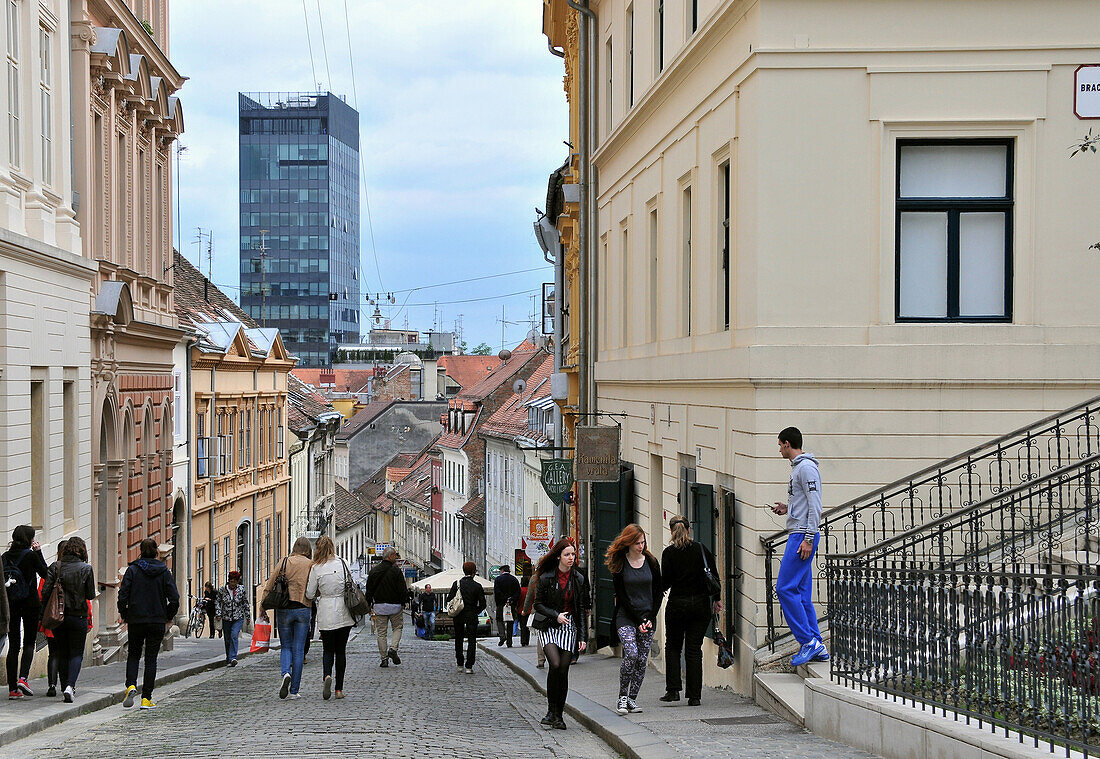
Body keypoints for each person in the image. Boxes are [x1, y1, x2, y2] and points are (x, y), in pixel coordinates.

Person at [771, 426, 828, 666]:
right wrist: (788, 507)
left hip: (801, 536)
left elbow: (816, 505)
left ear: (786, 444)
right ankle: (817, 644)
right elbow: (806, 502)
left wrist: (808, 538)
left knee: (784, 588)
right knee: (802, 594)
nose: (779, 449)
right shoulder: (800, 469)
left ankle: (808, 642)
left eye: (780, 445)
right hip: (801, 532)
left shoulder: (805, 468)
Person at [660, 516, 720, 707]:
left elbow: (666, 582)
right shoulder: (701, 549)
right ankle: (694, 696)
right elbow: (714, 577)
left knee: (673, 647)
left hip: (677, 604)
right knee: (694, 650)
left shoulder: (669, 553)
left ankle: (673, 690)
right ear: (688, 530)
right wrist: (717, 600)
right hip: (700, 605)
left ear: (671, 531)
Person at [531, 538, 589, 730]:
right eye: (567, 555)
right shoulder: (547, 577)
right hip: (549, 625)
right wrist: (555, 615)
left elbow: (581, 608)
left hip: (568, 627)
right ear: (558, 557)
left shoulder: (578, 578)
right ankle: (550, 710)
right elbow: (538, 604)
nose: (571, 558)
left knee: (563, 669)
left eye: (573, 554)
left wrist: (582, 636)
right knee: (554, 664)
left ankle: (558, 715)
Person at [606, 524, 663, 714]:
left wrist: (649, 617)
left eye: (643, 542)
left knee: (641, 660)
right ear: (628, 543)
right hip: (627, 616)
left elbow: (658, 592)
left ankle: (632, 699)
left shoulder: (652, 562)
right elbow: (621, 596)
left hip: (648, 617)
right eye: (637, 543)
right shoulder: (620, 564)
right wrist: (639, 619)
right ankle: (622, 697)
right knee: (631, 653)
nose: (641, 546)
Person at [119, 538, 180, 710]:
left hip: (136, 619)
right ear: (156, 552)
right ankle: (146, 698)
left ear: (140, 551)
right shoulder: (164, 572)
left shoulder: (132, 570)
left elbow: (123, 595)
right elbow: (174, 598)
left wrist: (125, 613)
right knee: (151, 659)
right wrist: (168, 615)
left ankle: (131, 685)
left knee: (133, 654)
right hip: (156, 620)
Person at [39, 536, 95, 703]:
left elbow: (45, 592)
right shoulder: (86, 569)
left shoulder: (55, 567)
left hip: (59, 616)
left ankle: (64, 687)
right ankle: (70, 686)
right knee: (76, 653)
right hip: (78, 615)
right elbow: (90, 594)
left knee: (62, 652)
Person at [260, 537, 313, 699]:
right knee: (298, 649)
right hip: (303, 609)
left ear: (295, 547)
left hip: (284, 609)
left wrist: (262, 606)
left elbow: (270, 584)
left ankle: (285, 673)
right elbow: (315, 588)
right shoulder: (311, 565)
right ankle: (294, 690)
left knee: (286, 646)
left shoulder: (284, 561)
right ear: (308, 550)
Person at [305, 537, 355, 701]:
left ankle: (327, 676)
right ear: (333, 547)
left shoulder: (316, 568)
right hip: (343, 610)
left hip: (326, 611)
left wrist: (321, 591)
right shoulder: (343, 562)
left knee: (328, 649)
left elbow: (310, 594)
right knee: (341, 650)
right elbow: (350, 583)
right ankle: (339, 689)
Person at [3, 525, 49, 699]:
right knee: (29, 642)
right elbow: (45, 573)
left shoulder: (5, 557)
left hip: (12, 604)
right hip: (30, 603)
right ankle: (23, 678)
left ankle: (12, 689)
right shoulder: (30, 556)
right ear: (30, 540)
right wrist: (38, 552)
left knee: (14, 645)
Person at [364, 547, 408, 669]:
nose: (396, 557)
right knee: (397, 627)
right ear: (390, 557)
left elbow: (369, 590)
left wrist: (368, 603)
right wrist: (404, 602)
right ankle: (393, 648)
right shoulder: (396, 571)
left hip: (379, 606)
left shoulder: (374, 571)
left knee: (381, 633)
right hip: (395, 606)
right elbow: (402, 589)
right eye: (394, 555)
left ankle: (384, 659)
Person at [446, 562, 486, 674]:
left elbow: (449, 599)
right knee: (472, 640)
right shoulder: (477, 586)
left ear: (464, 571)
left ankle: (459, 663)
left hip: (458, 615)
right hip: (471, 615)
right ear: (474, 572)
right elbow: (483, 604)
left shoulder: (457, 584)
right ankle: (469, 665)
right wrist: (475, 611)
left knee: (458, 639)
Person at [215, 571, 250, 666]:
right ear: (228, 581)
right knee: (227, 639)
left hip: (238, 617)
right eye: (231, 581)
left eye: (235, 582)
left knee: (234, 635)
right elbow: (218, 602)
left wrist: (248, 616)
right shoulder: (222, 590)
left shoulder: (241, 589)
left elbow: (245, 603)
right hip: (226, 617)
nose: (233, 584)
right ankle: (229, 658)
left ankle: (233, 657)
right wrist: (218, 614)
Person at [521, 570, 546, 667]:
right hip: (553, 610)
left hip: (539, 609)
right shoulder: (556, 574)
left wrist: (525, 610)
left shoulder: (535, 578)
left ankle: (541, 660)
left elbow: (529, 595)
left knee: (541, 635)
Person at [493, 564, 520, 648]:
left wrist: (504, 599)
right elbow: (518, 592)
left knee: (499, 620)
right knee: (510, 622)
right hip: (511, 605)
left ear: (502, 571)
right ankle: (509, 641)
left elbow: (497, 592)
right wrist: (511, 599)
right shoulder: (514, 579)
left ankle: (502, 635)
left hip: (501, 604)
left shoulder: (498, 579)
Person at [517, 574, 531, 647]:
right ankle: (527, 641)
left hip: (520, 610)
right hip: (529, 610)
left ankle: (523, 641)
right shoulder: (530, 590)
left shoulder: (520, 590)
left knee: (522, 626)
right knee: (527, 626)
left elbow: (518, 601)